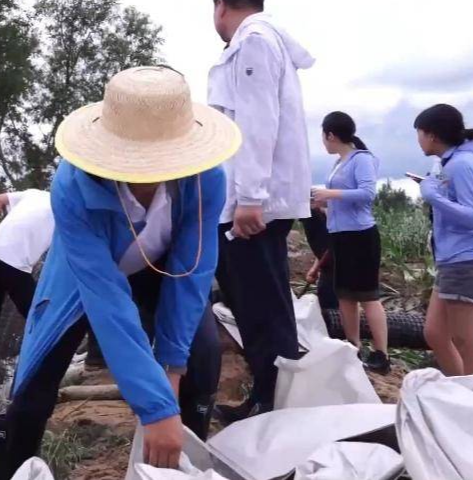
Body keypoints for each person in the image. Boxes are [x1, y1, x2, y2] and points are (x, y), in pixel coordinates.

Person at [0, 66, 241, 479]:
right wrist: (156, 405)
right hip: (85, 274)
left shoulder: (204, 180)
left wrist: (171, 376)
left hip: (162, 270)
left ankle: (181, 463)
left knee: (202, 354)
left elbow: (192, 270)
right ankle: (13, 468)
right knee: (34, 382)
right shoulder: (72, 187)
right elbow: (107, 301)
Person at [208, 0, 315, 423]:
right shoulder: (260, 42)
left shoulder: (253, 43)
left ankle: (275, 406)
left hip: (255, 204)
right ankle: (271, 397)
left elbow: (255, 122)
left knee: (261, 308)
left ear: (220, 6)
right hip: (255, 200)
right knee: (258, 303)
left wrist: (250, 198)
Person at [415, 104, 473, 376]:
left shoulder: (464, 164)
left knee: (468, 344)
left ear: (432, 135)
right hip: (452, 261)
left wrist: (434, 197)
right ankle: (460, 393)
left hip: (468, 261)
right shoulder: (449, 163)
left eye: (420, 133)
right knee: (435, 333)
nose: (418, 140)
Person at [312, 112, 390, 374]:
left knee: (367, 296)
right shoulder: (339, 162)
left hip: (360, 236)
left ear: (331, 135)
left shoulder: (362, 160)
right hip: (340, 235)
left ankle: (382, 354)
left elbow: (367, 194)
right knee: (345, 295)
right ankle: (353, 347)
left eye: (324, 136)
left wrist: (330, 194)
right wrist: (324, 205)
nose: (323, 142)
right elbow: (344, 201)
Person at [0, 189, 53, 366]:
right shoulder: (66, 210)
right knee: (37, 316)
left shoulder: (33, 193)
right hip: (16, 267)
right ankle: (38, 361)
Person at [303, 209, 339, 310]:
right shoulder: (308, 216)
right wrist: (315, 269)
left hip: (340, 270)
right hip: (327, 269)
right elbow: (324, 247)